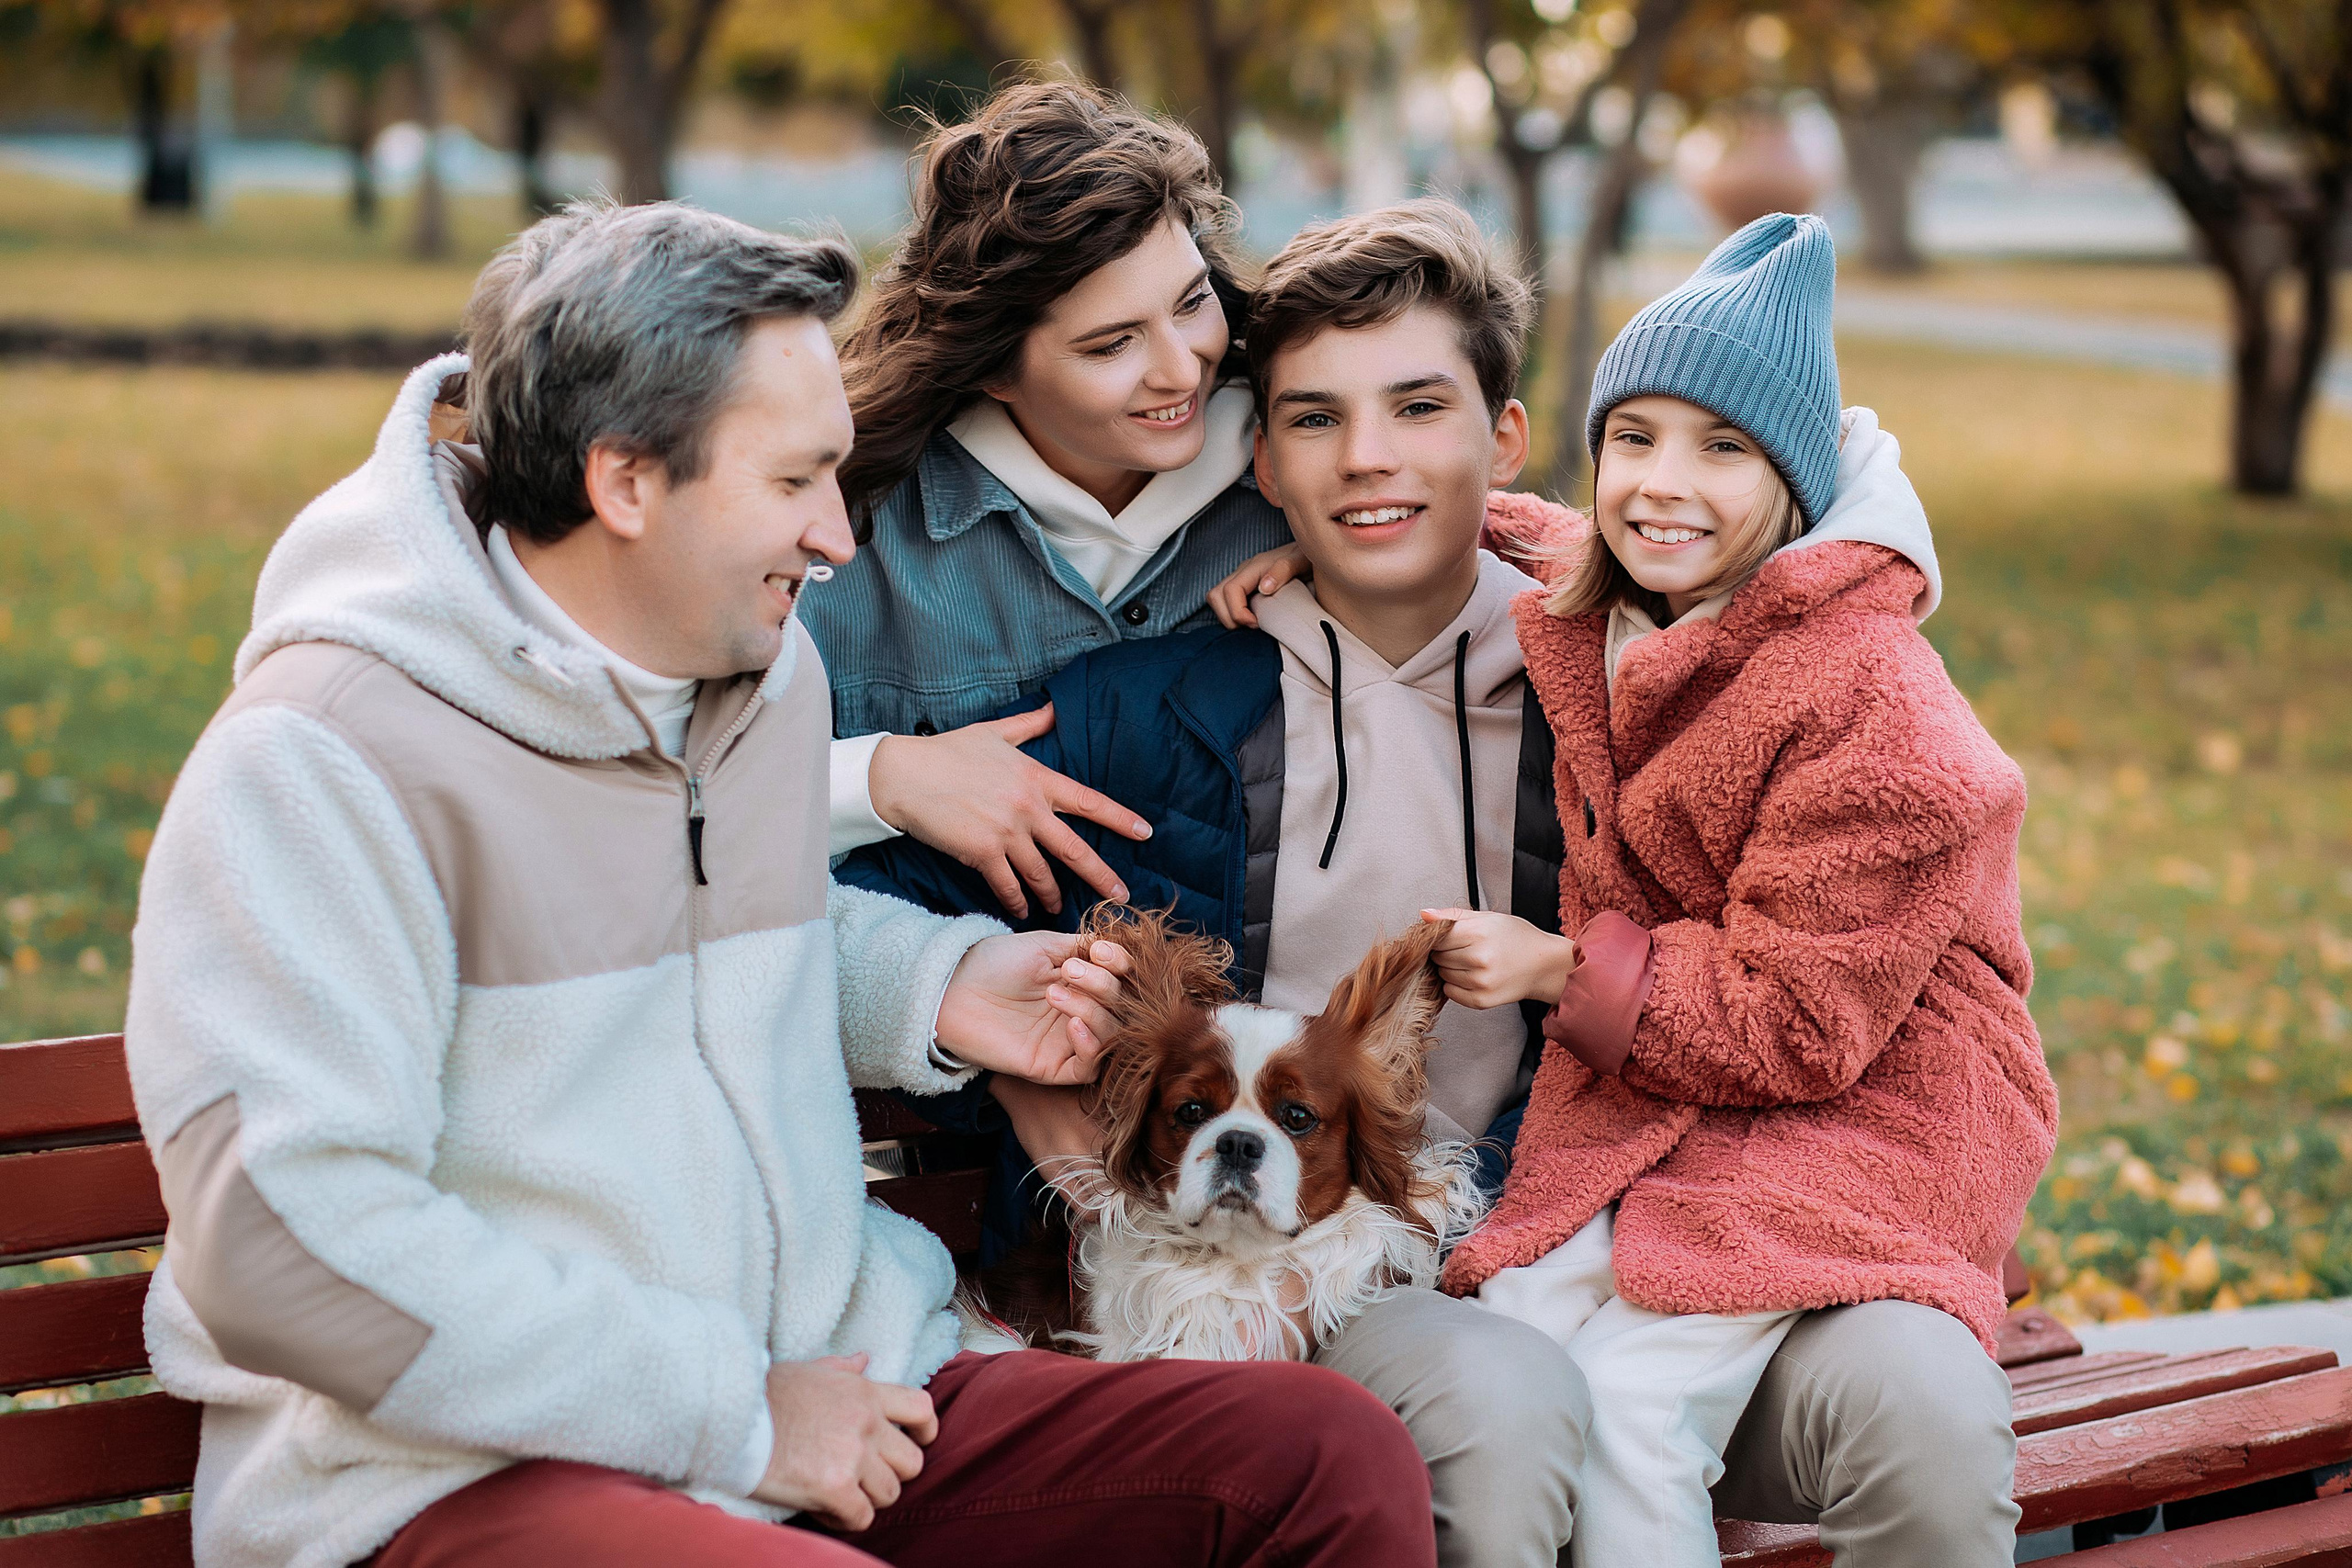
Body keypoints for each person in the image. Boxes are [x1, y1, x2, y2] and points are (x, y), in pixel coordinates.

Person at [121, 197, 1437, 1568]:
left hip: (845, 1383)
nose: (839, 539)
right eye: (797, 480)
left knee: (1322, 1461)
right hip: (468, 1474)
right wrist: (731, 1412)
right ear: (625, 481)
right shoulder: (318, 763)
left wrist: (941, 983)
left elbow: (696, 949)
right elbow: (276, 1251)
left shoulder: (750, 673)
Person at [841, 200, 1589, 1568]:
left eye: (1418, 406)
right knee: (1504, 1394)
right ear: (1262, 456)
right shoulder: (1151, 714)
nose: (1367, 457)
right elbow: (852, 884)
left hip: (1574, 1227)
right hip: (1297, 1258)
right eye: (1313, 418)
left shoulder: (1607, 700)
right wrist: (985, 1017)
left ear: (1503, 438)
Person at [1430, 212, 2060, 1568]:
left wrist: (1556, 970)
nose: (1665, 484)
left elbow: (1794, 1021)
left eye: (1724, 448)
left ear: (1796, 481)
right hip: (1683, 1101)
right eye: (1635, 436)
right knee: (1522, 1332)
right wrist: (1319, 536)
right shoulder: (1630, 591)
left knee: (1633, 1406)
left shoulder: (1876, 702)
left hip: (1869, 1112)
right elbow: (1525, 529)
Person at [798, 79, 1293, 922]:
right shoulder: (845, 528)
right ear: (994, 368)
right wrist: (884, 777)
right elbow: (679, 796)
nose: (1181, 368)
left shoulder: (1301, 482)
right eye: (1112, 344)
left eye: (1190, 301)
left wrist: (1359, 559)